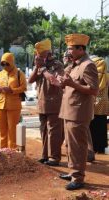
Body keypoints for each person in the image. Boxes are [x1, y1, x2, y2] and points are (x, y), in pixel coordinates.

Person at [57, 34, 99, 190]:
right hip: (69, 110)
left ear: (81, 49)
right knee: (69, 145)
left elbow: (94, 90)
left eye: (70, 49)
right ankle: (72, 171)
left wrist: (71, 84)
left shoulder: (88, 65)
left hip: (79, 112)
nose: (68, 52)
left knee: (78, 146)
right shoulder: (74, 64)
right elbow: (68, 82)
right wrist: (63, 82)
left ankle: (78, 178)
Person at [28, 39, 64, 166]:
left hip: (54, 103)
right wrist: (37, 67)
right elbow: (31, 80)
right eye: (37, 55)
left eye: (40, 55)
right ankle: (44, 155)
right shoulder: (40, 65)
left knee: (54, 132)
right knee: (43, 131)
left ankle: (55, 157)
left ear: (48, 53)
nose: (37, 57)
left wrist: (43, 69)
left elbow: (54, 81)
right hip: (42, 103)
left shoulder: (57, 64)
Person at [0, 53, 27, 149]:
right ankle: (2, 150)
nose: (5, 66)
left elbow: (24, 87)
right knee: (2, 130)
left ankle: (12, 152)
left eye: (7, 64)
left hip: (13, 105)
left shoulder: (19, 74)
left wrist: (11, 90)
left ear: (12, 63)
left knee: (12, 130)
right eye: (2, 64)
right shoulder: (0, 74)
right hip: (1, 105)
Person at [89, 56, 108, 153]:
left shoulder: (91, 76)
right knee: (101, 124)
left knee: (92, 125)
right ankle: (100, 147)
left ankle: (92, 147)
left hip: (92, 102)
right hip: (103, 104)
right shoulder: (107, 76)